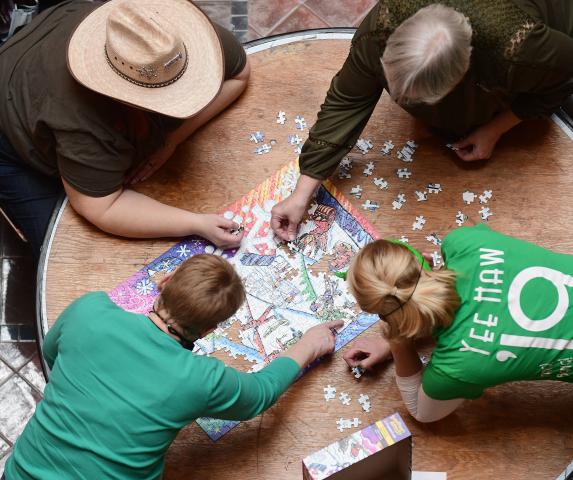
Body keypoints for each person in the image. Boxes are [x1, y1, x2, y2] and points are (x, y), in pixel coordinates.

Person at [2, 254, 343, 479]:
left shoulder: (89, 309)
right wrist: (309, 344)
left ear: (163, 283)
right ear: (210, 329)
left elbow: (50, 353)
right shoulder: (201, 378)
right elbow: (261, 394)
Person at [271, 0, 573, 242]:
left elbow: (563, 78)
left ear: (465, 75)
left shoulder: (519, 51)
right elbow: (348, 100)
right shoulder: (380, 28)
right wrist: (302, 192)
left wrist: (497, 128)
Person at [0, 0, 250, 257]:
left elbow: (239, 74)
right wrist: (197, 224)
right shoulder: (84, 119)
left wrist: (173, 139)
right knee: (67, 253)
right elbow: (101, 207)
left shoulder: (168, 44)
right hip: (11, 136)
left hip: (49, 40)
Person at [342, 224, 573, 423]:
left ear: (386, 317)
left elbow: (421, 411)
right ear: (425, 258)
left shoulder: (455, 367)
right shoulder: (465, 242)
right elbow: (479, 305)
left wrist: (398, 341)